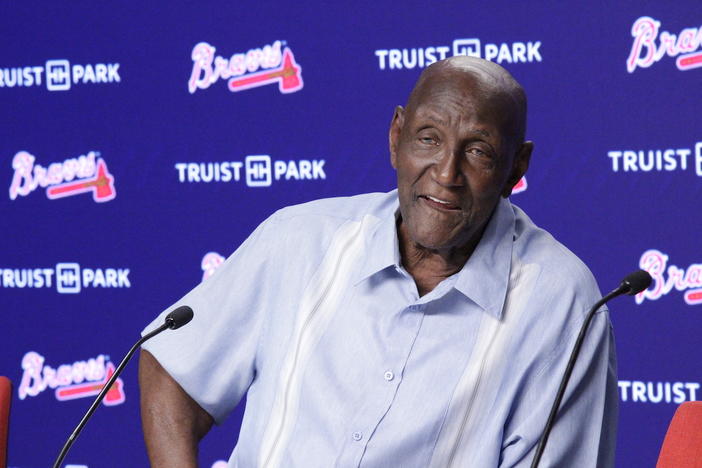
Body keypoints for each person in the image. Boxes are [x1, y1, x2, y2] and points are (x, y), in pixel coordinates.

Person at [139, 56, 617, 467]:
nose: (446, 173)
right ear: (396, 137)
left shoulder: (560, 301)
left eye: (478, 151)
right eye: (428, 138)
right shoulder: (300, 239)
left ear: (516, 168)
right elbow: (173, 367)